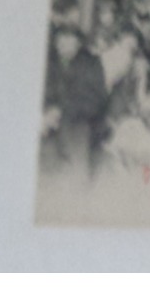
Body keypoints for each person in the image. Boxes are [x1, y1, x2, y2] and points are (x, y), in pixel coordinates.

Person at [42, 25, 108, 180]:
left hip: (79, 123)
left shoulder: (91, 64)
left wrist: (62, 111)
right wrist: (48, 110)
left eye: (69, 40)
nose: (63, 44)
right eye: (60, 40)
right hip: (48, 122)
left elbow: (97, 100)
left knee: (75, 171)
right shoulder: (49, 62)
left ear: (78, 44)